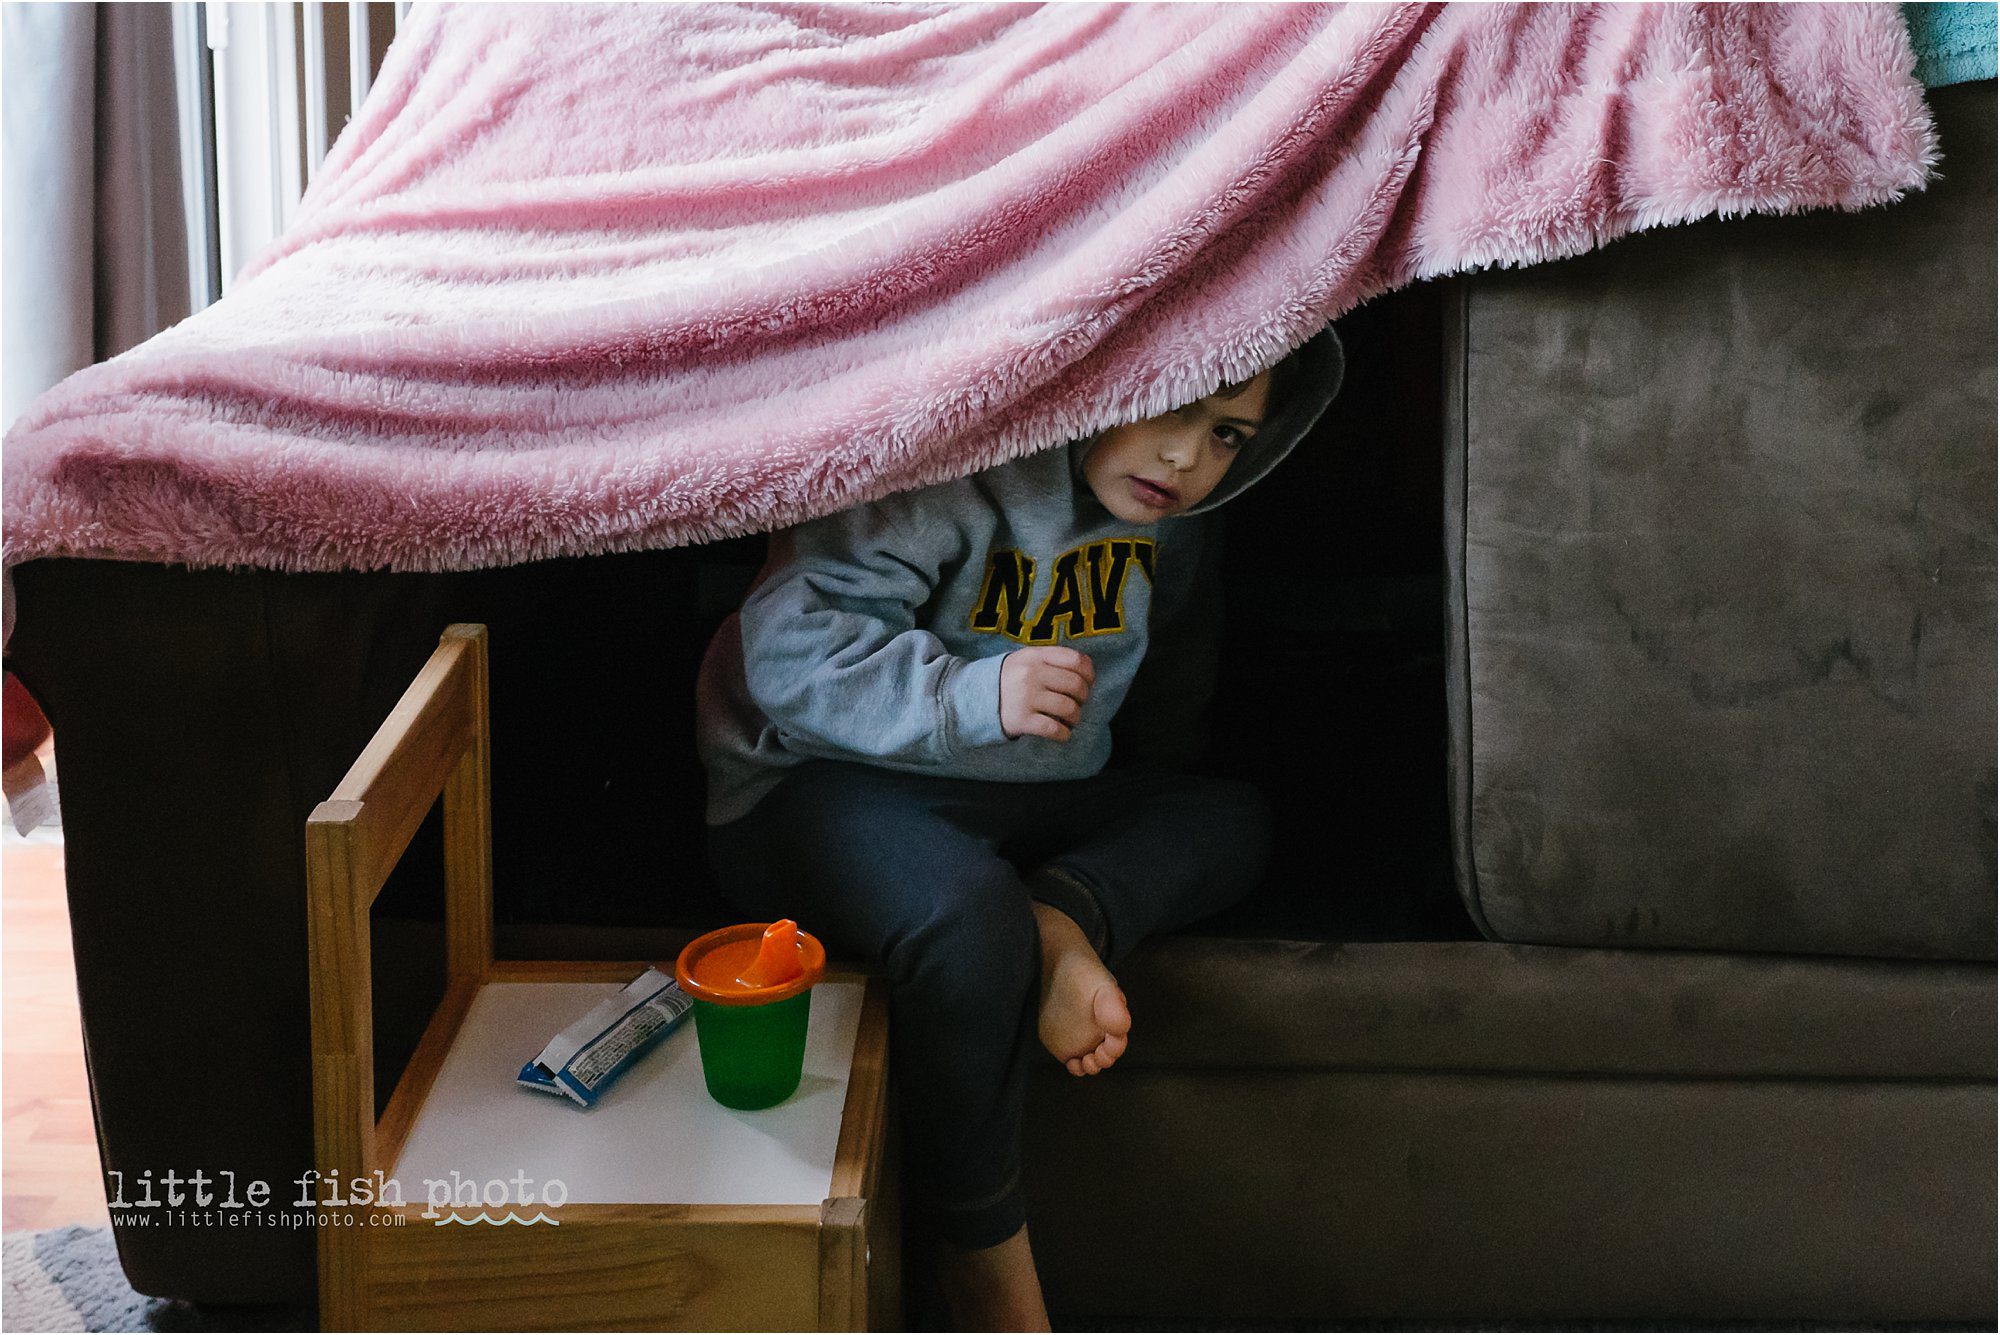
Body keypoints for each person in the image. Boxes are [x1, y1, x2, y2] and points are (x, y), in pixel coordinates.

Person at [695, 325, 1344, 1329]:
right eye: (1173, 406)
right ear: (1103, 376)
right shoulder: (954, 468)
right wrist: (964, 693)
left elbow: (1171, 661)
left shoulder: (1174, 515)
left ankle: (1062, 913)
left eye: (1225, 434)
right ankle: (982, 1252)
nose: (1188, 458)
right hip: (825, 781)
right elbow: (783, 649)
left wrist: (1132, 824)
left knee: (1228, 816)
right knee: (964, 919)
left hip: (1021, 793)